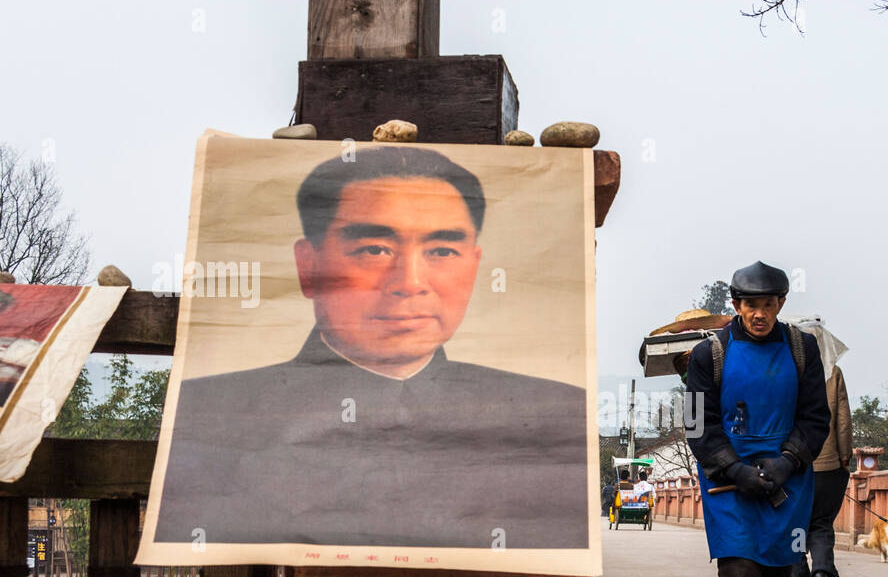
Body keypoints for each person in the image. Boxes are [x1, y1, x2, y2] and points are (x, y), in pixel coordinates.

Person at [154, 145, 588, 549]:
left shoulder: (555, 411)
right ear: (309, 267)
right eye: (375, 249)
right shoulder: (210, 412)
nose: (410, 283)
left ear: (474, 266)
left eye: (441, 250)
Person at [685, 260, 830, 577]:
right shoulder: (707, 353)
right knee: (737, 561)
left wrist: (789, 460)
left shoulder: (803, 349)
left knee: (777, 566)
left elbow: (816, 417)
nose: (760, 313)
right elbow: (696, 423)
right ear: (736, 304)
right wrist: (733, 466)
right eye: (751, 305)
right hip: (727, 476)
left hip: (788, 474)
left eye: (769, 304)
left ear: (781, 303)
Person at [786, 323, 852, 577]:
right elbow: (843, 420)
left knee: (794, 528)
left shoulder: (786, 371)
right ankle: (822, 570)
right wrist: (844, 456)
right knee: (821, 523)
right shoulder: (833, 373)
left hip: (791, 464)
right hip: (827, 465)